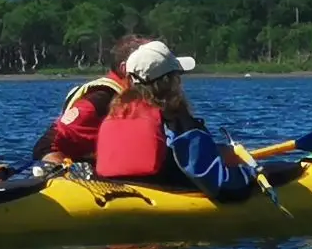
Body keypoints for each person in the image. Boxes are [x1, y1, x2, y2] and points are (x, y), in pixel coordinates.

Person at [94, 40, 256, 201]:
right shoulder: (176, 122)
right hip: (164, 193)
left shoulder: (117, 112)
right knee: (275, 172)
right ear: (168, 81)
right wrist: (255, 174)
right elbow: (220, 185)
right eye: (177, 75)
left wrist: (218, 151)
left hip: (118, 189)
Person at [32, 34, 151, 162]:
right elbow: (45, 147)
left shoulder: (140, 96)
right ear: (125, 69)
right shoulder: (101, 98)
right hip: (81, 173)